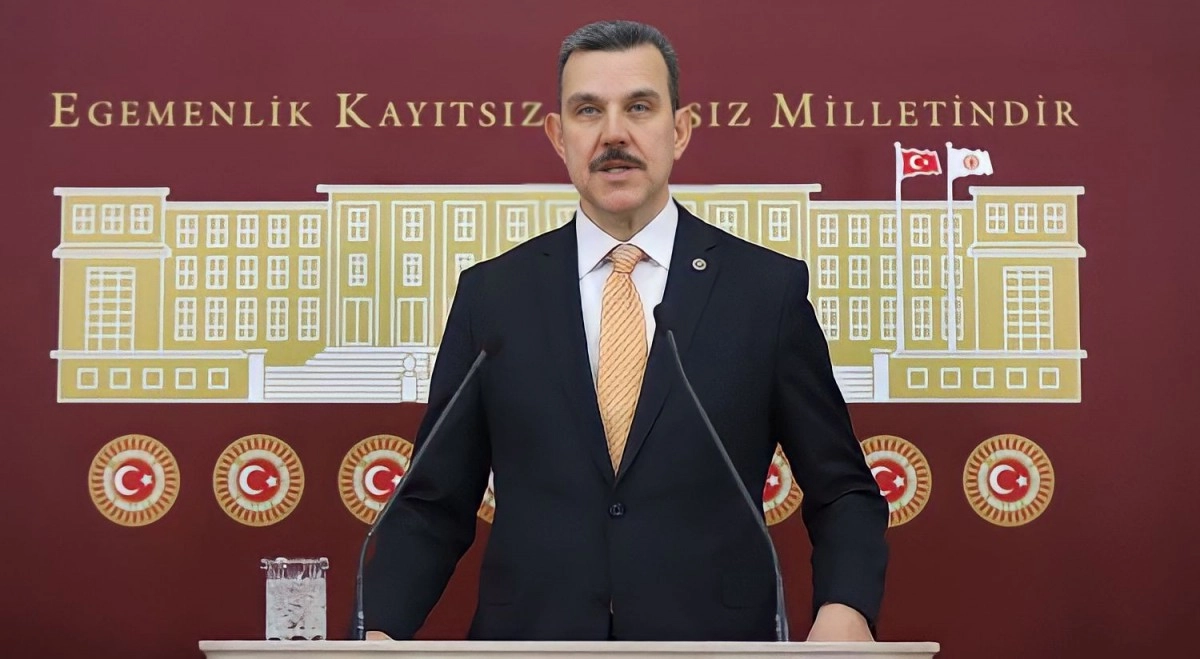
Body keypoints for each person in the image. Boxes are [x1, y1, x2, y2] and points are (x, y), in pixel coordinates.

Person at [364, 19, 888, 642]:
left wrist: (844, 610)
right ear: (558, 136)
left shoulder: (763, 293)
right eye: (589, 110)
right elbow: (432, 504)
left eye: (639, 107)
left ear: (679, 130)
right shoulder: (494, 297)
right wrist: (377, 633)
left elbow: (842, 491)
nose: (614, 133)